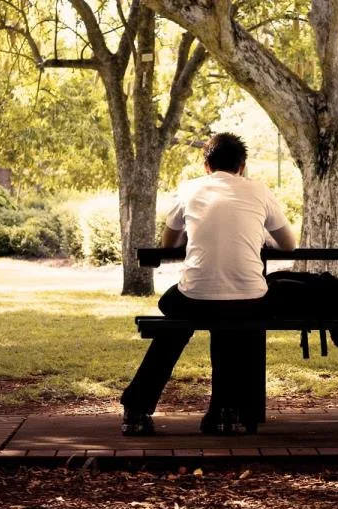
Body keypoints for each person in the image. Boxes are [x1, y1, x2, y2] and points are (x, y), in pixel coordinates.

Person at [121, 132, 296, 435]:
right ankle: (226, 411)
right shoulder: (259, 191)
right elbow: (289, 245)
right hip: (250, 296)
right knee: (232, 319)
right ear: (243, 166)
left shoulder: (190, 189)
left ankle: (136, 409)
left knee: (175, 320)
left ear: (206, 165)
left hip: (195, 295)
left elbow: (169, 242)